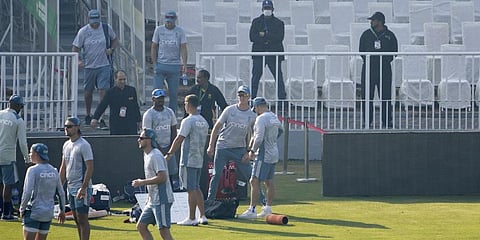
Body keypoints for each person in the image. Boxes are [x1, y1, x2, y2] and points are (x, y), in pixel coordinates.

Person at [206, 86, 256, 201]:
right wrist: (211, 145)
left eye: (244, 95)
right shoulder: (229, 110)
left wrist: (249, 151)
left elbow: (255, 134)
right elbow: (217, 127)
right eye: (240, 95)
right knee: (216, 174)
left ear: (248, 97)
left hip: (239, 148)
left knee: (250, 175)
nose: (241, 98)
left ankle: (263, 203)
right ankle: (210, 200)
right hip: (223, 146)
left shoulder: (252, 115)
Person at [165, 95, 209, 226]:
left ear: (189, 104)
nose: (184, 105)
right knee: (196, 187)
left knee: (191, 189)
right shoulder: (203, 121)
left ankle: (191, 217)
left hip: (188, 159)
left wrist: (170, 153)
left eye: (185, 103)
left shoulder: (188, 121)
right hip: (199, 158)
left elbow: (179, 138)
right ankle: (202, 215)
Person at [238, 97, 283, 219]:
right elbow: (281, 130)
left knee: (254, 180)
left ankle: (252, 210)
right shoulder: (274, 116)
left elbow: (259, 137)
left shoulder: (261, 119)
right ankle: (267, 208)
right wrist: (272, 140)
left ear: (257, 107)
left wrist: (252, 151)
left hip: (263, 154)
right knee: (268, 181)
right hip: (274, 152)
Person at [72, 9, 118, 126]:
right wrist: (78, 60)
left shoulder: (105, 28)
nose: (95, 23)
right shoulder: (84, 31)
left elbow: (115, 39)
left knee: (103, 91)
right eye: (93, 21)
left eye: (96, 21)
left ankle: (100, 117)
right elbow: (76, 47)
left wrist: (111, 49)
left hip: (104, 64)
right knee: (88, 92)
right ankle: (88, 114)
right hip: (89, 66)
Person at [133, 128, 174, 240]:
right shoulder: (147, 155)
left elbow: (162, 177)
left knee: (164, 231)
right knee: (141, 226)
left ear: (149, 140)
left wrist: (142, 182)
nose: (138, 140)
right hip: (153, 200)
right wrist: (149, 197)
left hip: (162, 199)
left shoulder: (155, 155)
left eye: (141, 138)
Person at [359, 11, 398, 128]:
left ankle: (387, 120)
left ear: (380, 21)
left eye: (373, 20)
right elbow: (361, 50)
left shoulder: (390, 35)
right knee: (367, 96)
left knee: (385, 96)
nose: (371, 22)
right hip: (368, 69)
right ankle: (367, 121)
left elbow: (394, 52)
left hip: (384, 69)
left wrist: (384, 60)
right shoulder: (366, 34)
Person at [20, 143, 66, 240]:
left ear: (36, 154)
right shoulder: (54, 171)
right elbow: (61, 193)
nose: (29, 154)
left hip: (33, 212)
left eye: (31, 152)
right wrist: (62, 211)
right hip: (48, 213)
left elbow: (27, 192)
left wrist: (22, 208)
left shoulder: (32, 170)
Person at [59, 117, 94, 240]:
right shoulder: (66, 145)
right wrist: (59, 186)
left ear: (77, 127)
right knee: (76, 219)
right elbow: (63, 167)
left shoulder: (84, 145)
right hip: (70, 186)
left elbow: (89, 167)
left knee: (82, 218)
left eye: (69, 126)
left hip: (80, 186)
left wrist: (83, 188)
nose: (66, 129)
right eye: (65, 126)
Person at [249, 0, 287, 102]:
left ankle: (282, 100)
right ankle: (252, 99)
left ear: (273, 9)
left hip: (273, 54)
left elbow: (279, 38)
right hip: (259, 53)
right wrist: (269, 37)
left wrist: (265, 35)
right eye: (265, 8)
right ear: (262, 9)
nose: (267, 10)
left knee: (278, 77)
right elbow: (252, 37)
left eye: (269, 8)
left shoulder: (279, 23)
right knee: (255, 77)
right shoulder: (256, 22)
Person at [151, 10, 188, 113]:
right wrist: (154, 63)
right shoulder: (159, 30)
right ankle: (156, 112)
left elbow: (183, 47)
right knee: (157, 91)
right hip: (161, 64)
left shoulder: (179, 31)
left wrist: (184, 64)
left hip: (174, 65)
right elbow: (154, 46)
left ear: (175, 20)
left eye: (171, 21)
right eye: (167, 21)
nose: (169, 23)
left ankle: (172, 114)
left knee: (173, 93)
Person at [0, 94, 30, 220]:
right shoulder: (18, 120)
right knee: (8, 184)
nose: (21, 109)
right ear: (17, 106)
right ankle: (7, 213)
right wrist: (27, 159)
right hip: (7, 155)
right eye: (20, 106)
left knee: (0, 184)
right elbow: (22, 143)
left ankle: (3, 209)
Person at [142, 89, 179, 190]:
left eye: (162, 98)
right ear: (153, 99)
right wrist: (159, 150)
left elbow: (173, 130)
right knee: (154, 173)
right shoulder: (149, 114)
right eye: (158, 99)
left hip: (169, 149)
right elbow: (148, 135)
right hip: (154, 150)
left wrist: (171, 149)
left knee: (171, 174)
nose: (160, 101)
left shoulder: (170, 112)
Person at [90, 70, 141, 135]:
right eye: (120, 80)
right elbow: (102, 105)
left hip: (130, 122)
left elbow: (135, 106)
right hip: (116, 122)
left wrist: (139, 120)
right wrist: (95, 118)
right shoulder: (110, 92)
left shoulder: (131, 90)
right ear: (115, 79)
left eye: (124, 79)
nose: (122, 82)